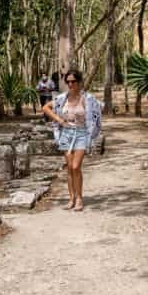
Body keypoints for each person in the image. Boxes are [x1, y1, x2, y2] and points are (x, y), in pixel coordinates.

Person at [41, 69, 101, 211]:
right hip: (66, 134)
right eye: (68, 82)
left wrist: (93, 131)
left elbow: (97, 114)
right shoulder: (62, 98)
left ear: (79, 82)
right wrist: (60, 120)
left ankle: (79, 198)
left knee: (76, 167)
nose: (70, 84)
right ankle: (72, 198)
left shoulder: (87, 98)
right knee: (69, 168)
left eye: (73, 81)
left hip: (81, 134)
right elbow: (45, 107)